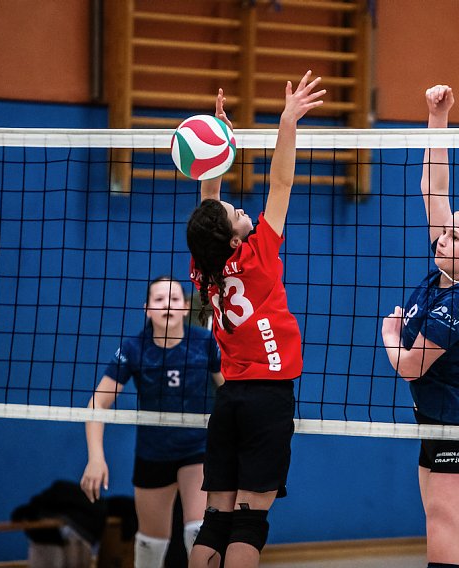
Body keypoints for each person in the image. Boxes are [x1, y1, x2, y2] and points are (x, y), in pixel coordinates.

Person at [184, 70, 324, 568]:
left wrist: (218, 143)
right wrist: (288, 121)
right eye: (235, 212)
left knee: (215, 521)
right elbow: (281, 181)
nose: (239, 208)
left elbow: (208, 204)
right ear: (235, 239)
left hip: (229, 401)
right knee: (249, 522)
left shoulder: (204, 269)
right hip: (268, 399)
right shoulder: (259, 255)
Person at [381, 84, 459, 568]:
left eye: (454, 236)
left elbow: (411, 367)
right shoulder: (446, 272)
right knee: (458, 545)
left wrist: (390, 336)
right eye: (445, 231)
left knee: (444, 546)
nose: (442, 239)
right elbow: (433, 187)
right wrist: (438, 117)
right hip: (435, 426)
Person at [81, 276, 224, 568]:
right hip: (153, 453)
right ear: (147, 309)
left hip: (197, 449)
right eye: (159, 300)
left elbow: (228, 389)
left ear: (185, 307)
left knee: (197, 532)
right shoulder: (134, 348)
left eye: (174, 299)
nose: (167, 305)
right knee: (150, 542)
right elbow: (98, 403)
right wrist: (95, 458)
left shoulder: (204, 342)